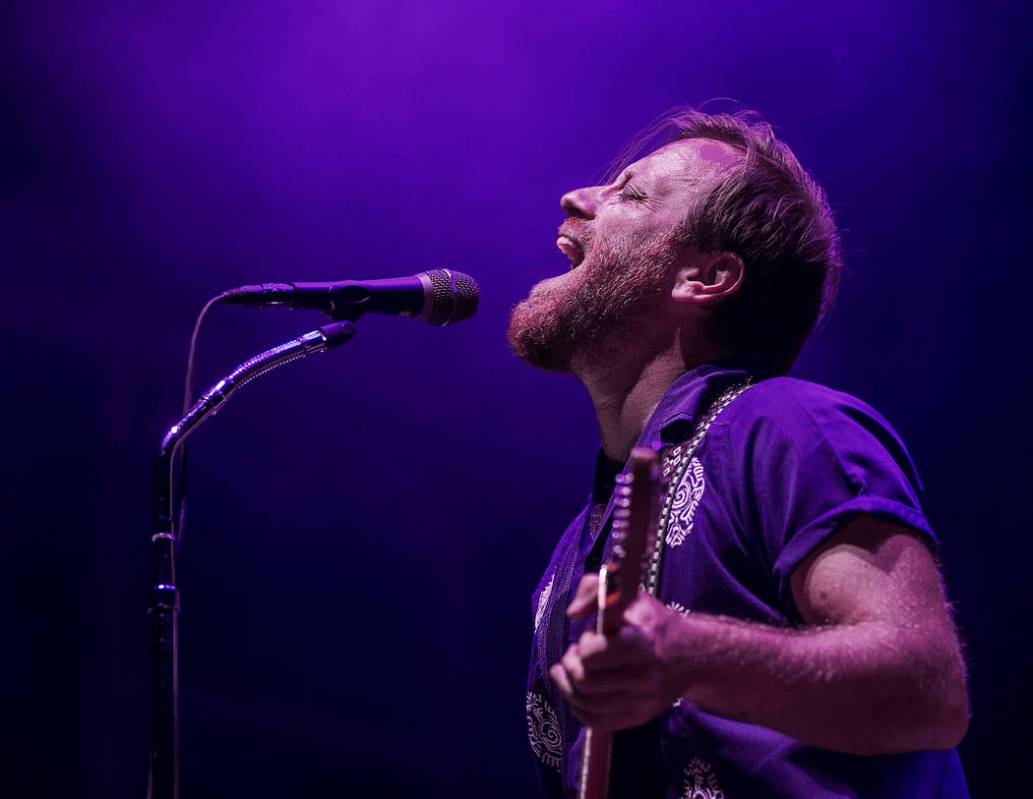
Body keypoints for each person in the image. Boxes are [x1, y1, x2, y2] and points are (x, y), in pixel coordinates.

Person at [508, 108, 969, 798]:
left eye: (629, 194)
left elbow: (926, 687)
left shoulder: (786, 425)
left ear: (705, 277)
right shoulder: (579, 539)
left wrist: (688, 653)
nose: (576, 199)